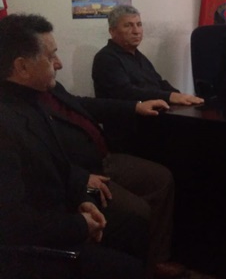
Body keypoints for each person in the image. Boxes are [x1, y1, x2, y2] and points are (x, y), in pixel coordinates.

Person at [0, 14, 150, 279]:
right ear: (22, 67)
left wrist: (82, 198)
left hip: (65, 204)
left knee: (133, 225)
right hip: (32, 247)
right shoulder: (6, 123)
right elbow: (12, 221)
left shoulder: (33, 98)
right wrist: (80, 224)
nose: (58, 63)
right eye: (51, 57)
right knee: (128, 268)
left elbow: (58, 163)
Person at [92, 5, 203, 106]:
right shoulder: (106, 58)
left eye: (139, 24)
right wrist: (169, 97)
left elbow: (159, 82)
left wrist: (180, 95)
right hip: (129, 119)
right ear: (112, 31)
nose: (136, 31)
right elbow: (126, 93)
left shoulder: (137, 55)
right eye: (128, 26)